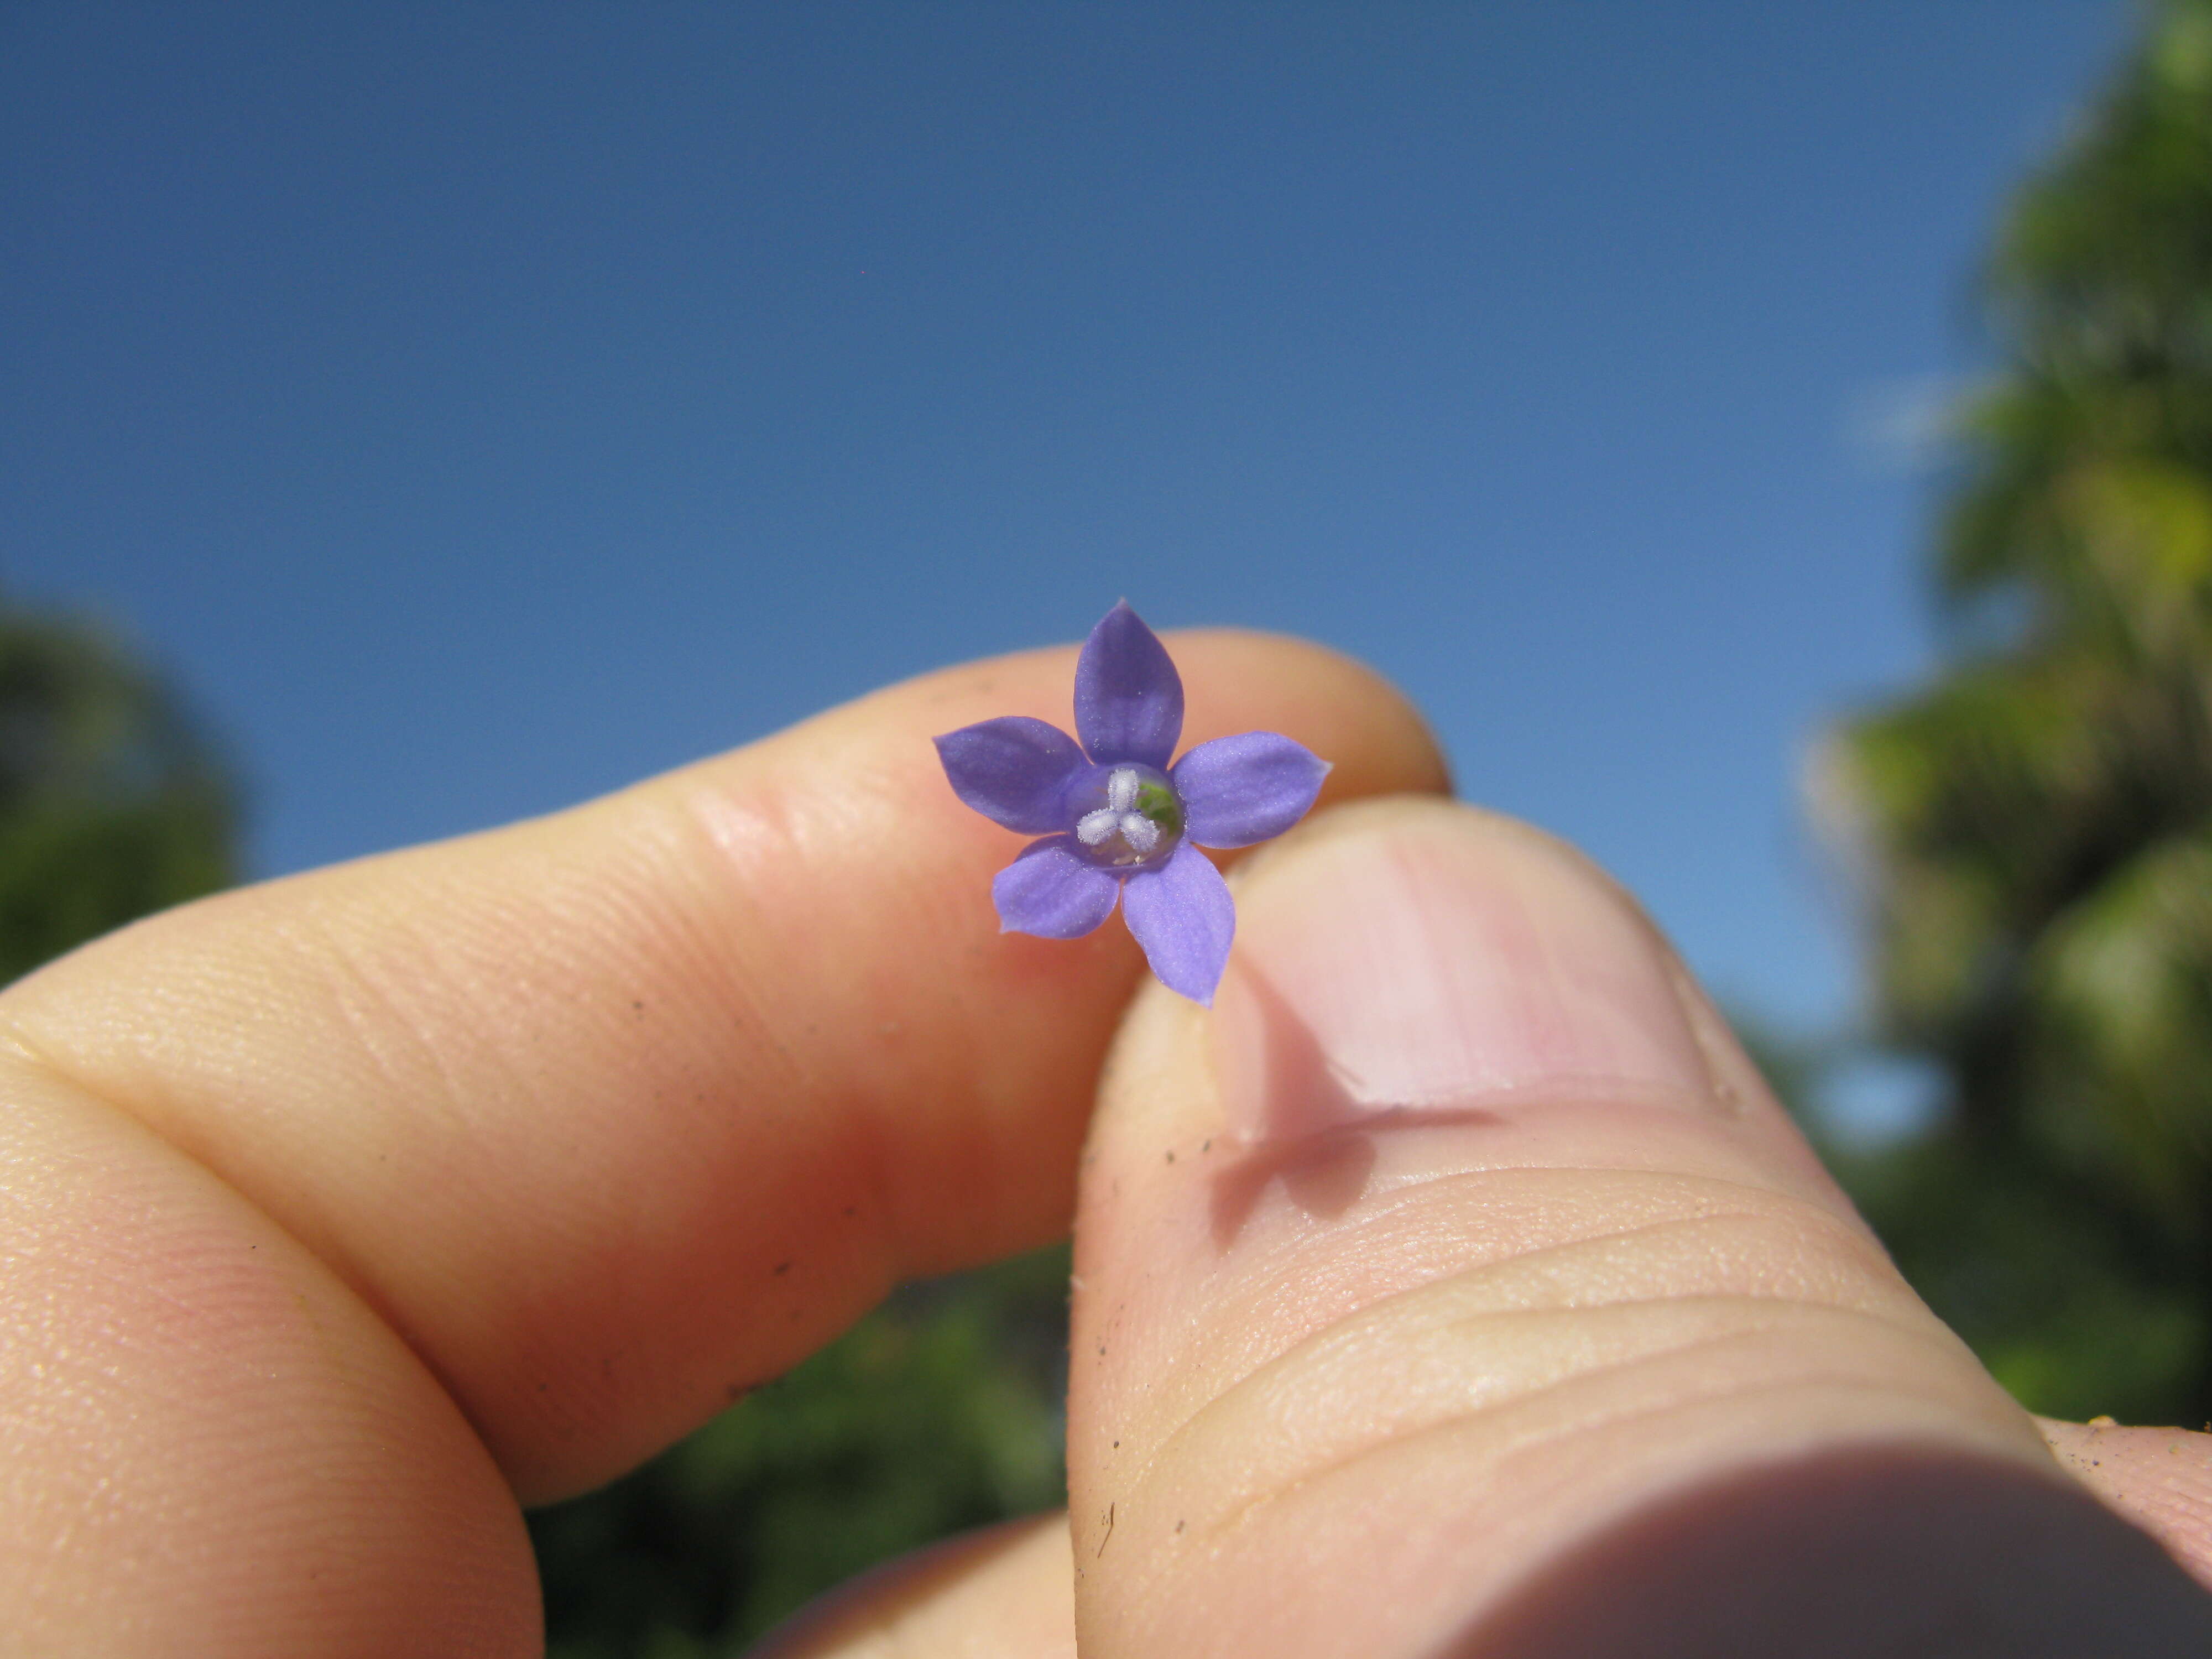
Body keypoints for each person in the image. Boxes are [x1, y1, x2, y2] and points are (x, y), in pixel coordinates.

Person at [2, 629, 2208, 1658]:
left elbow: (1192, 825)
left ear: (1164, 771)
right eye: (1109, 790)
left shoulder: (1191, 825)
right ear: (1076, 786)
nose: (1131, 803)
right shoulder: (1074, 852)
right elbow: (1084, 851)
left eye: (1146, 786)